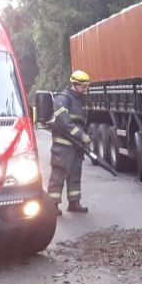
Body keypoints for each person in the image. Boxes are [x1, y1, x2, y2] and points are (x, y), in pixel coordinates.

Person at [47, 70, 93, 215]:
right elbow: (65, 122)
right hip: (63, 145)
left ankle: (74, 203)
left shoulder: (79, 99)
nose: (85, 89)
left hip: (75, 145)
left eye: (87, 86)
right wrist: (82, 136)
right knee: (59, 174)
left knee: (75, 173)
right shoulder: (62, 98)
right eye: (83, 86)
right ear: (75, 84)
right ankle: (52, 206)